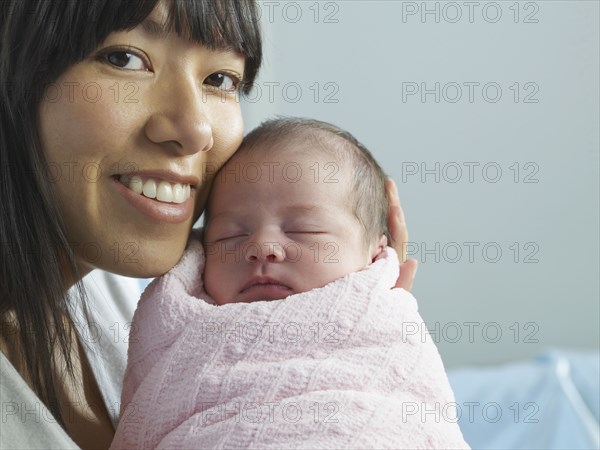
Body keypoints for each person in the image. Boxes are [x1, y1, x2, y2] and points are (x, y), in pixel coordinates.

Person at [0, 1, 416, 449]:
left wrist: (348, 337)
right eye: (124, 58)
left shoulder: (148, 307)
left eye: (220, 79)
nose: (195, 128)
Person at [110, 118, 465, 449]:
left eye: (303, 230)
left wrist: (376, 303)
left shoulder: (384, 328)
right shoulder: (179, 331)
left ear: (376, 252)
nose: (261, 247)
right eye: (231, 235)